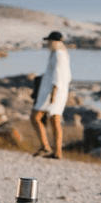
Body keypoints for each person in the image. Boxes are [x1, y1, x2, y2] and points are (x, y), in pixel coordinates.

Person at [31, 30, 72, 159]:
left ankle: (46, 146)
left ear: (54, 42)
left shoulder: (58, 54)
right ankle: (57, 151)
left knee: (35, 117)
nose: (48, 43)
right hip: (56, 90)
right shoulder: (61, 54)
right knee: (55, 120)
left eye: (49, 41)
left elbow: (58, 75)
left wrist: (54, 93)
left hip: (52, 92)